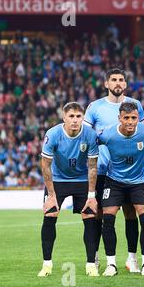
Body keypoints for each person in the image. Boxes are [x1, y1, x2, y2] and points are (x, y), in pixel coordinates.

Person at [84, 68, 144, 273]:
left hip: (129, 172)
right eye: (113, 80)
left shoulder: (135, 106)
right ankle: (97, 256)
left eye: (121, 79)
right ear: (106, 84)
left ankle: (131, 258)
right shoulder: (95, 107)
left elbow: (142, 135)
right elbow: (87, 136)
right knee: (100, 214)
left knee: (130, 214)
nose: (117, 83)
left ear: (125, 84)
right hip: (102, 171)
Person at [97, 102, 144, 277]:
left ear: (137, 118)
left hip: (139, 182)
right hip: (114, 181)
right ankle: (111, 264)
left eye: (133, 118)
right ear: (119, 118)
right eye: (126, 118)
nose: (130, 122)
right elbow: (92, 142)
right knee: (108, 219)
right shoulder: (108, 133)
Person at [38, 102, 99, 277]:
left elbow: (93, 166)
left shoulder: (90, 134)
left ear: (83, 118)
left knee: (89, 217)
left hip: (81, 180)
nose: (74, 120)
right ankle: (47, 265)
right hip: (57, 180)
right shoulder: (53, 134)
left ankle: (90, 265)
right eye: (71, 116)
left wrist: (91, 195)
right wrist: (51, 195)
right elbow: (45, 166)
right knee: (49, 216)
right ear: (64, 117)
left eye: (78, 116)